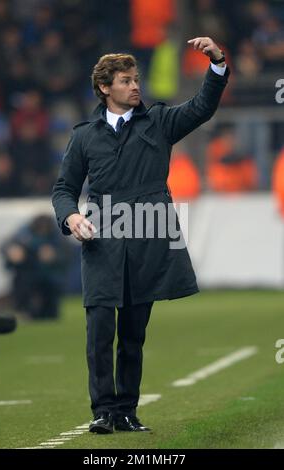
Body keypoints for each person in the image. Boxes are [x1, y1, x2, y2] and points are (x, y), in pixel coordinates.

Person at [52, 37, 230, 433]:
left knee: (133, 335)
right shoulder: (84, 136)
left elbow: (203, 106)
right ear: (105, 88)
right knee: (99, 332)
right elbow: (63, 189)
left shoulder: (161, 121)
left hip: (148, 241)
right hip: (100, 244)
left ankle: (127, 412)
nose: (136, 86)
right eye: (126, 80)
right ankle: (102, 412)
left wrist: (217, 62)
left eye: (136, 79)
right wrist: (71, 218)